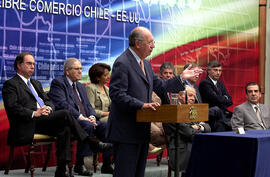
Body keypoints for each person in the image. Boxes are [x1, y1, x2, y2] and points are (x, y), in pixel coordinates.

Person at [107, 26, 203, 177]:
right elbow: (117, 94)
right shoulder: (123, 62)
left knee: (138, 173)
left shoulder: (146, 64)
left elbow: (162, 86)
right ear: (138, 44)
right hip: (126, 130)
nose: (153, 46)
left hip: (141, 130)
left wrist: (181, 78)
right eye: (150, 42)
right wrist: (141, 105)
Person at [2, 52, 111, 177]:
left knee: (64, 129)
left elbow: (49, 101)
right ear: (19, 65)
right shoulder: (11, 84)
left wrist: (47, 108)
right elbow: (12, 108)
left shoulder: (36, 83)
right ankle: (91, 141)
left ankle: (61, 170)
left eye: (33, 64)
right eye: (29, 63)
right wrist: (35, 112)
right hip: (29, 122)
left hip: (45, 120)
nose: (32, 66)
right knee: (65, 113)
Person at [48, 58, 113, 175]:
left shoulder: (81, 86)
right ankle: (79, 164)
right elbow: (62, 105)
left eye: (81, 69)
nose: (80, 71)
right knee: (87, 125)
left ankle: (107, 164)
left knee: (107, 126)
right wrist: (80, 117)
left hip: (86, 119)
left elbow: (88, 106)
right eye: (77, 69)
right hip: (70, 121)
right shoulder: (58, 83)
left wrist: (92, 116)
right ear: (67, 71)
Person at [163, 85, 211, 176]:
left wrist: (198, 127)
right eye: (190, 96)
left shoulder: (194, 109)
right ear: (180, 95)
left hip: (195, 145)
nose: (193, 99)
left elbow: (208, 128)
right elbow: (188, 132)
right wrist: (200, 126)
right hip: (181, 150)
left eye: (194, 96)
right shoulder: (172, 111)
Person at [199, 60, 233, 131]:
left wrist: (222, 99)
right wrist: (224, 98)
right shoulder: (205, 83)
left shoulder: (220, 83)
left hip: (222, 114)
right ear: (208, 71)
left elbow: (230, 100)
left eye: (220, 70)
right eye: (215, 70)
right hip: (212, 116)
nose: (218, 73)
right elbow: (216, 99)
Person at [149, 62, 175, 154]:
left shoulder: (175, 89)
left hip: (165, 118)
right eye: (165, 73)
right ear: (160, 75)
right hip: (152, 117)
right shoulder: (154, 87)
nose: (168, 75)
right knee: (160, 132)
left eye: (170, 73)